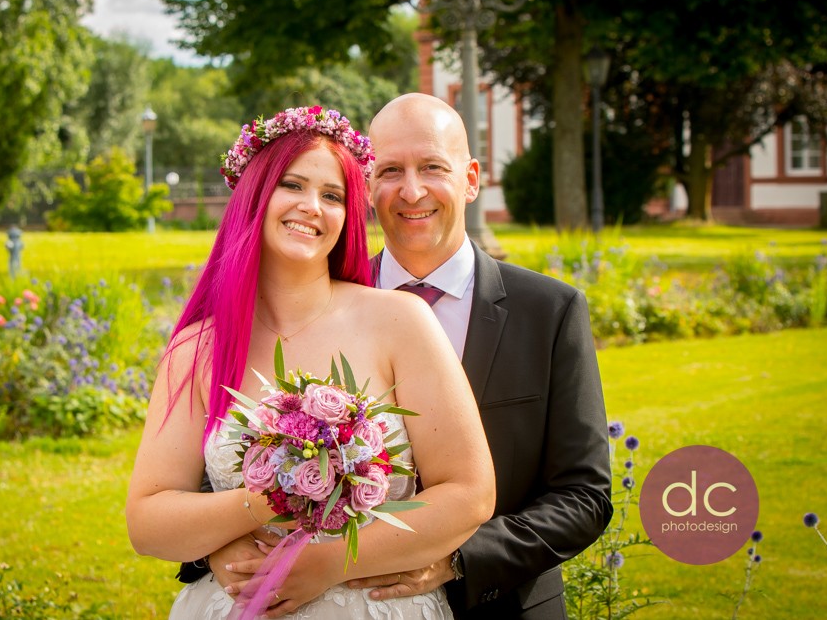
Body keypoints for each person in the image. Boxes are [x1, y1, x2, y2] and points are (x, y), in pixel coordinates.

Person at [197, 94, 613, 618]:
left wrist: (456, 559)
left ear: (471, 179)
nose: (411, 190)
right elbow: (220, 451)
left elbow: (584, 494)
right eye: (390, 170)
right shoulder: (317, 301)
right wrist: (217, 546)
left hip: (501, 604)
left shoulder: (549, 311)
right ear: (366, 188)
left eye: (433, 167)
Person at [126, 105, 495, 619]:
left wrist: (330, 564)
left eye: (333, 196)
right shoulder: (197, 348)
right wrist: (262, 502)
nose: (311, 207)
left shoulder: (401, 322)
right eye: (293, 186)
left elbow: (470, 494)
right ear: (255, 195)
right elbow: (147, 521)